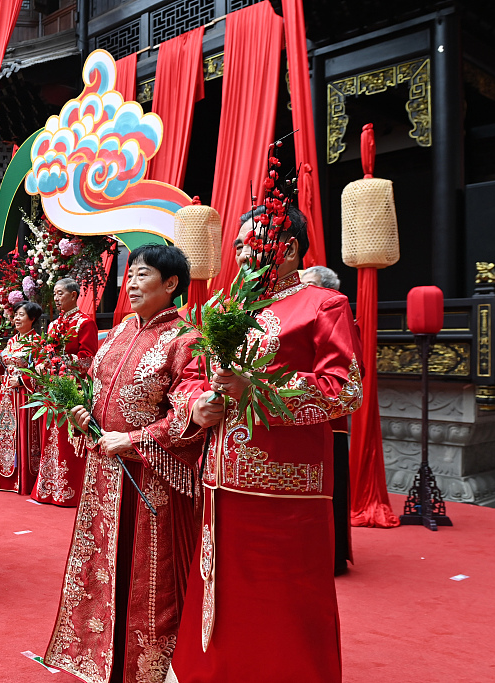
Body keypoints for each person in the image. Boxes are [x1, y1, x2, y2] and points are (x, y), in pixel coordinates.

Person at [167, 207, 363, 683]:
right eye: (236, 245)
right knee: (223, 590)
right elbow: (187, 379)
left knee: (289, 598)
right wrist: (198, 405)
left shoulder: (323, 305)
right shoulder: (222, 310)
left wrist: (255, 390)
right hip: (222, 481)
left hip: (290, 488)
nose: (238, 253)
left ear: (290, 248)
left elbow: (346, 389)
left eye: (248, 244)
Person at [43, 245, 202, 683]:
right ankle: (98, 655)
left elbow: (189, 416)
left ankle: (147, 668)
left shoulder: (187, 340)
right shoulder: (118, 331)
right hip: (105, 475)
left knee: (149, 576)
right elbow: (98, 392)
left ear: (171, 285)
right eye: (129, 274)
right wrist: (85, 419)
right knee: (102, 565)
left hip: (150, 480)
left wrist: (132, 439)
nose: (130, 283)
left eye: (143, 275)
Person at [302, 265, 353, 576]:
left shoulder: (335, 313)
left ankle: (334, 556)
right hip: (300, 414)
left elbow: (342, 378)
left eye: (310, 285)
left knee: (332, 489)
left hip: (328, 415)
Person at [32, 277, 99, 507]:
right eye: (55, 294)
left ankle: (69, 489)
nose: (57, 298)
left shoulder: (84, 323)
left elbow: (89, 358)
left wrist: (61, 361)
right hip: (53, 388)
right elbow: (44, 351)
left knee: (67, 439)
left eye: (61, 293)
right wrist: (42, 362)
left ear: (73, 295)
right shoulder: (53, 325)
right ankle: (49, 487)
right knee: (51, 438)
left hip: (72, 389)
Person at [0, 301, 43, 495]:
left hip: (24, 395)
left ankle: (22, 479)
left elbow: (41, 372)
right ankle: (2, 479)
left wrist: (22, 379)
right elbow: (5, 367)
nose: (16, 318)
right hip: (6, 394)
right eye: (15, 314)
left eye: (21, 315)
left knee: (20, 434)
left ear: (32, 319)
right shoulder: (11, 341)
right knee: (5, 433)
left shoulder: (37, 343)